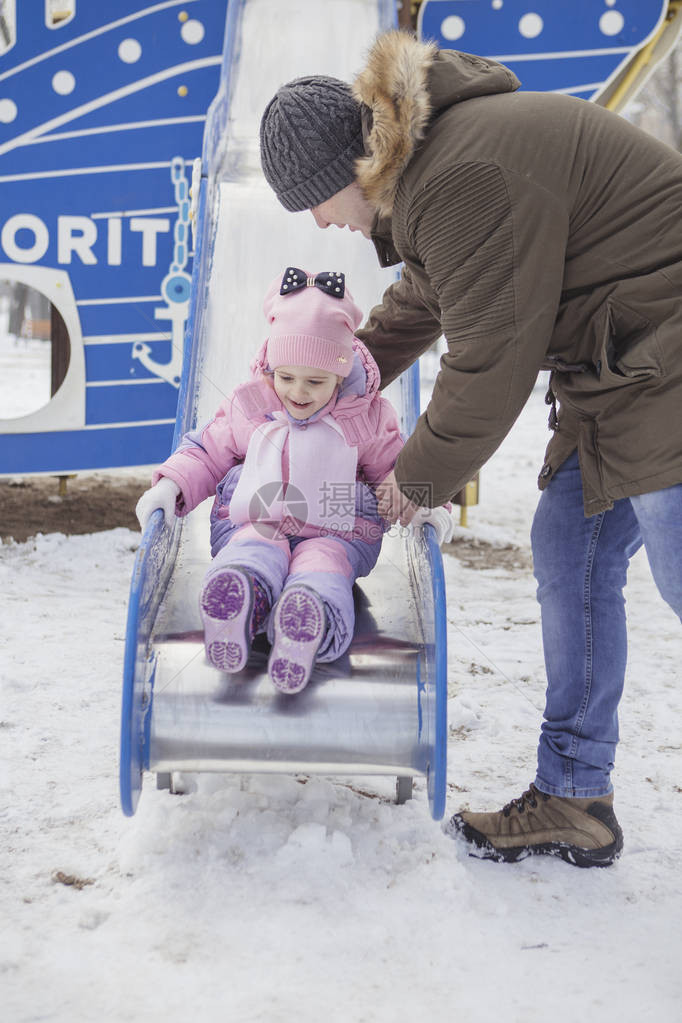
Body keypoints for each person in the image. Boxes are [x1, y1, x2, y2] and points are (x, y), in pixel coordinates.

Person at [259, 30, 682, 865]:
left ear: (347, 169)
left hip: (664, 356)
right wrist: (347, 368)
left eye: (311, 199)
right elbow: (431, 291)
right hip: (618, 366)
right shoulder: (434, 168)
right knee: (571, 554)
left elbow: (491, 357)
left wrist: (416, 479)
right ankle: (574, 796)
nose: (317, 220)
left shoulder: (459, 174)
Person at [136, 266, 452, 694]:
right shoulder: (252, 404)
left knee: (325, 565)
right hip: (256, 517)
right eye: (286, 378)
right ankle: (238, 602)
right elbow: (208, 450)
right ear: (271, 367)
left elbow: (399, 470)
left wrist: (429, 505)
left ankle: (306, 622)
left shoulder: (365, 416)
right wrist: (171, 484)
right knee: (252, 547)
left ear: (340, 376)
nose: (298, 392)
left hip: (335, 530)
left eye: (315, 382)